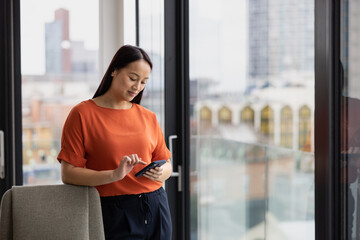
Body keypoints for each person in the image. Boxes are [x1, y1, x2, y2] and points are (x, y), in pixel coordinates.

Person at [57, 45, 173, 240]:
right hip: (112, 211)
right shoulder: (82, 114)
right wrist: (114, 175)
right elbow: (68, 174)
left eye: (144, 82)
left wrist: (160, 172)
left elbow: (166, 163)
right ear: (114, 70)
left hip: (156, 206)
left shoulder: (148, 117)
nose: (137, 87)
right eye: (133, 78)